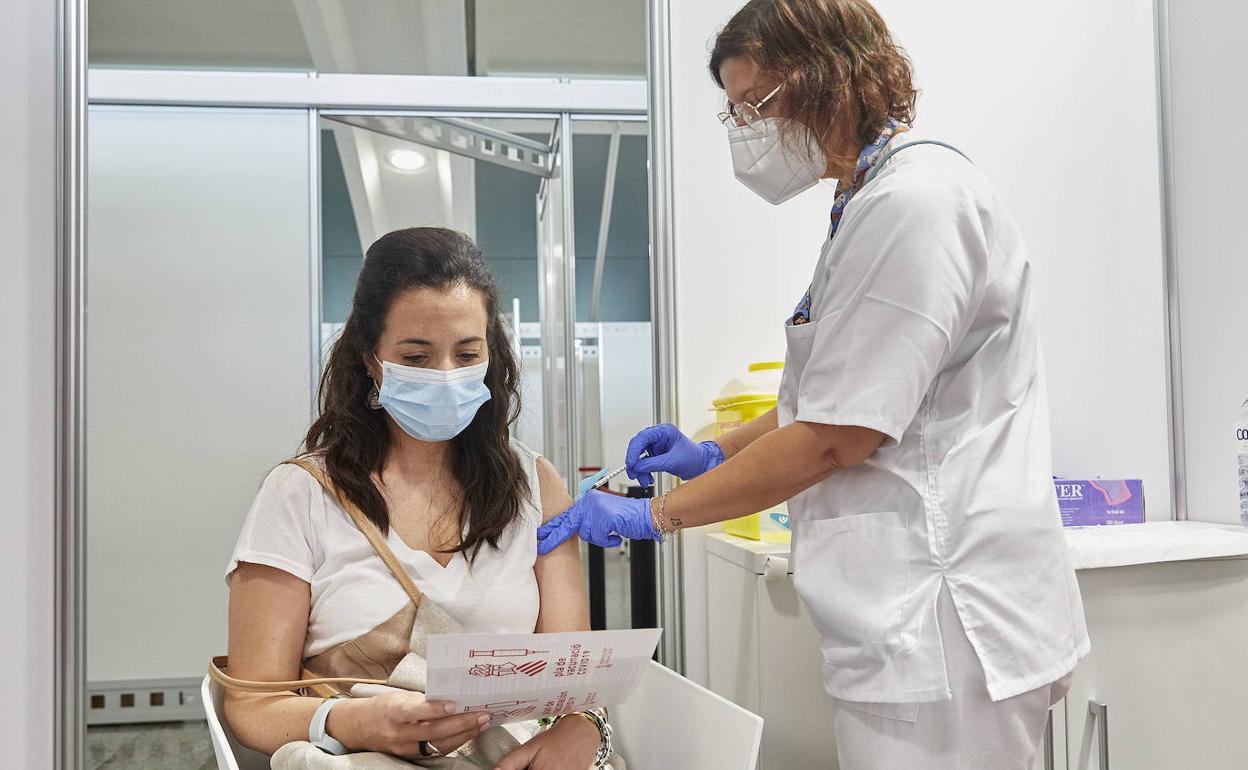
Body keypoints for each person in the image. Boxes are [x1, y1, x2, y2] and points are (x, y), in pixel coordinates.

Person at [537, 1, 1089, 768]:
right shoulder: (867, 200)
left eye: (752, 106)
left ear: (829, 75)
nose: (745, 132)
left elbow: (839, 435)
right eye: (733, 114)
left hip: (946, 621)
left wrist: (656, 516)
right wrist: (712, 450)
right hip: (911, 624)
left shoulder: (915, 204)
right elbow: (832, 394)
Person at [224, 227, 604, 769]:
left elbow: (573, 680)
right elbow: (252, 701)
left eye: (467, 352)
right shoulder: (299, 495)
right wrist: (348, 721)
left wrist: (581, 727)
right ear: (371, 359)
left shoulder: (536, 485)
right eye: (417, 356)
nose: (447, 376)